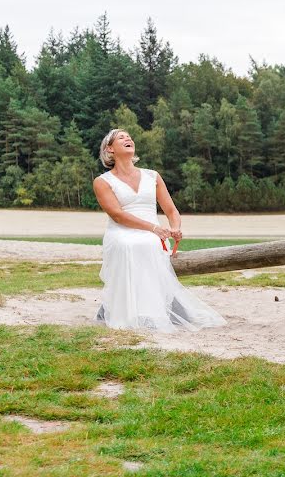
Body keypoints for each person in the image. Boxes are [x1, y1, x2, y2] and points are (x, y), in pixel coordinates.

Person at [92, 128, 226, 332]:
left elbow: (171, 210)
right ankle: (124, 310)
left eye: (129, 137)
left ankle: (157, 309)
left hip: (153, 232)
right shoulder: (102, 181)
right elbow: (117, 215)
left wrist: (175, 228)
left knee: (148, 242)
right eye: (121, 137)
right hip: (121, 231)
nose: (128, 138)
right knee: (133, 243)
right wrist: (153, 228)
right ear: (109, 149)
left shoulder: (152, 176)